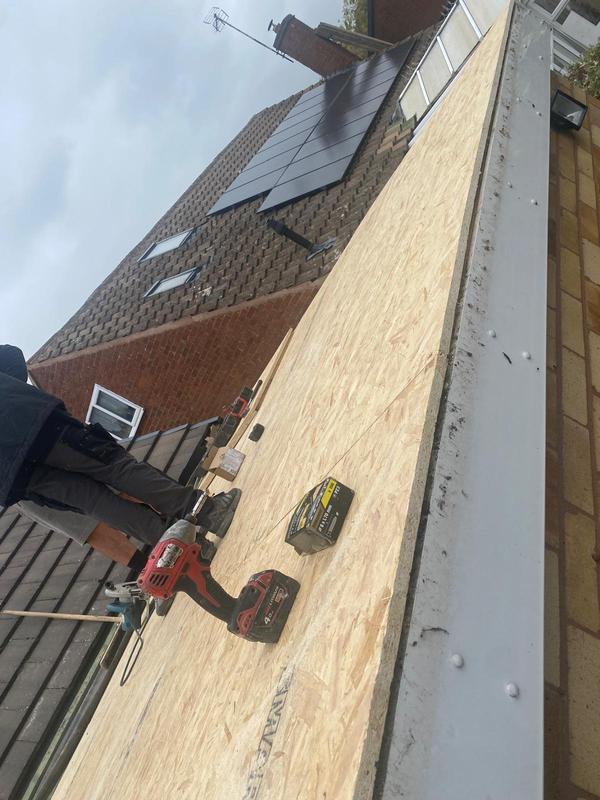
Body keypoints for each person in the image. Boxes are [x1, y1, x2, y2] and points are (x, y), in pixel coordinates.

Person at [0, 344, 240, 553]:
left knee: (95, 503)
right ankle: (209, 513)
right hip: (35, 428)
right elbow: (12, 359)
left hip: (13, 476)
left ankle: (186, 548)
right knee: (115, 467)